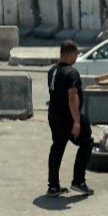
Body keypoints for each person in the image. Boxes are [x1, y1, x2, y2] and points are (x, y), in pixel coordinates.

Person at [46, 40, 94, 196]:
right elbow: (72, 98)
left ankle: (53, 186)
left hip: (54, 116)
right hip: (68, 118)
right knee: (86, 142)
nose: (77, 57)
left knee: (57, 147)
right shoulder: (71, 73)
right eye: (76, 54)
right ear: (71, 53)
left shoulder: (52, 71)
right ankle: (78, 181)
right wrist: (77, 122)